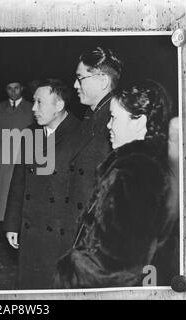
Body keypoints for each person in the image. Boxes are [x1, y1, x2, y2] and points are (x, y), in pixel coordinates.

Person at [56, 80, 179, 288]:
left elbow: (116, 267)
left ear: (139, 120)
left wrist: (69, 271)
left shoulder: (133, 173)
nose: (108, 125)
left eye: (113, 117)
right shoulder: (158, 164)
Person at [3, 79, 81, 289]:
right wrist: (12, 223)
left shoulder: (81, 135)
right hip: (30, 230)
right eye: (33, 102)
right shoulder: (30, 133)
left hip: (61, 234)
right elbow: (19, 181)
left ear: (59, 105)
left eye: (39, 102)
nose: (34, 108)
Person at [66, 47, 123, 241]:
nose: (75, 85)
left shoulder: (115, 120)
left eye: (80, 78)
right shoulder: (91, 115)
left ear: (103, 81)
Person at [0, 79, 34, 222]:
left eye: (16, 88)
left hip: (22, 156)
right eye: (9, 88)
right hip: (2, 157)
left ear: (22, 88)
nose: (13, 91)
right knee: (0, 193)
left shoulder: (31, 108)